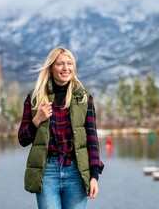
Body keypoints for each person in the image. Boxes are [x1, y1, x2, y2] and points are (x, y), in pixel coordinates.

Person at [18, 47, 104, 209]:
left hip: (76, 172)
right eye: (60, 64)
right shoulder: (35, 98)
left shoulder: (84, 99)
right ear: (51, 68)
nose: (66, 68)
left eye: (69, 63)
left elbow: (92, 141)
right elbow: (22, 139)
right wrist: (37, 120)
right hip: (47, 172)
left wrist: (94, 176)